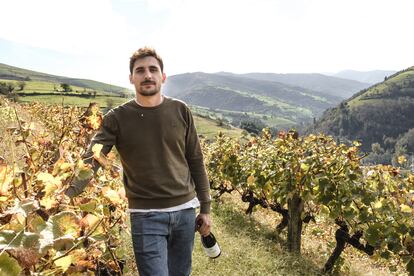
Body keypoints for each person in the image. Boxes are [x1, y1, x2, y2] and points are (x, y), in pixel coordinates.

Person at [64, 47, 212, 276]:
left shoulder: (181, 110)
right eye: (140, 70)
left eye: (153, 69)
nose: (147, 75)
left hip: (185, 213)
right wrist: (65, 194)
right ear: (131, 78)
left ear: (163, 77)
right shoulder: (117, 118)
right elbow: (91, 158)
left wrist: (205, 207)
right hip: (146, 216)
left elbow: (196, 160)